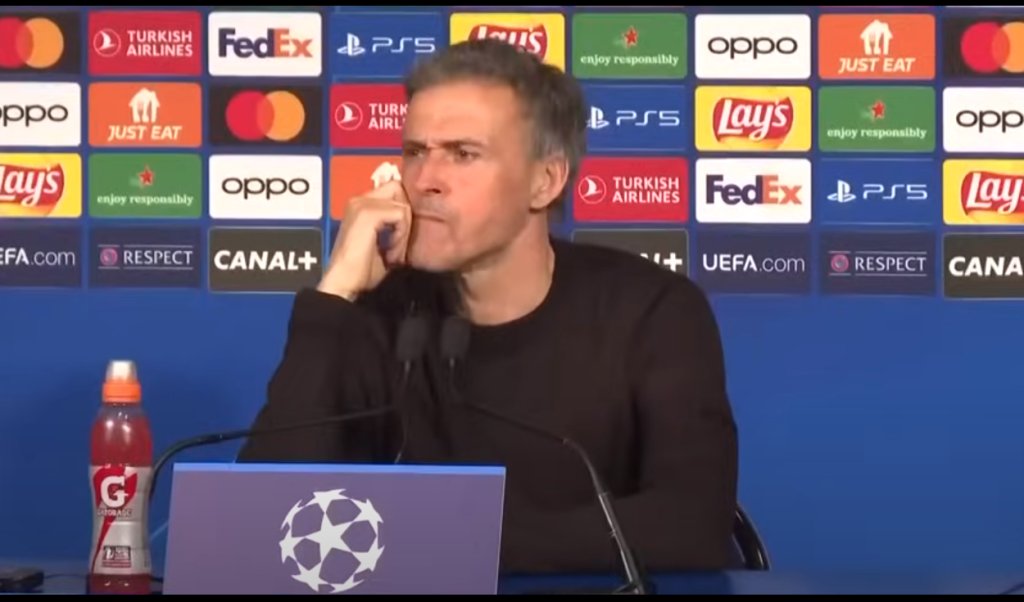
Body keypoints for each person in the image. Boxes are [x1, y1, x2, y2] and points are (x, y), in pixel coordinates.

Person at [237, 38, 739, 576]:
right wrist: (335, 294)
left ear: (545, 181)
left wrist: (450, 544)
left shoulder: (654, 312)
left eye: (463, 154)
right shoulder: (378, 310)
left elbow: (692, 527)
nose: (424, 180)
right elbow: (261, 523)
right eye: (415, 151)